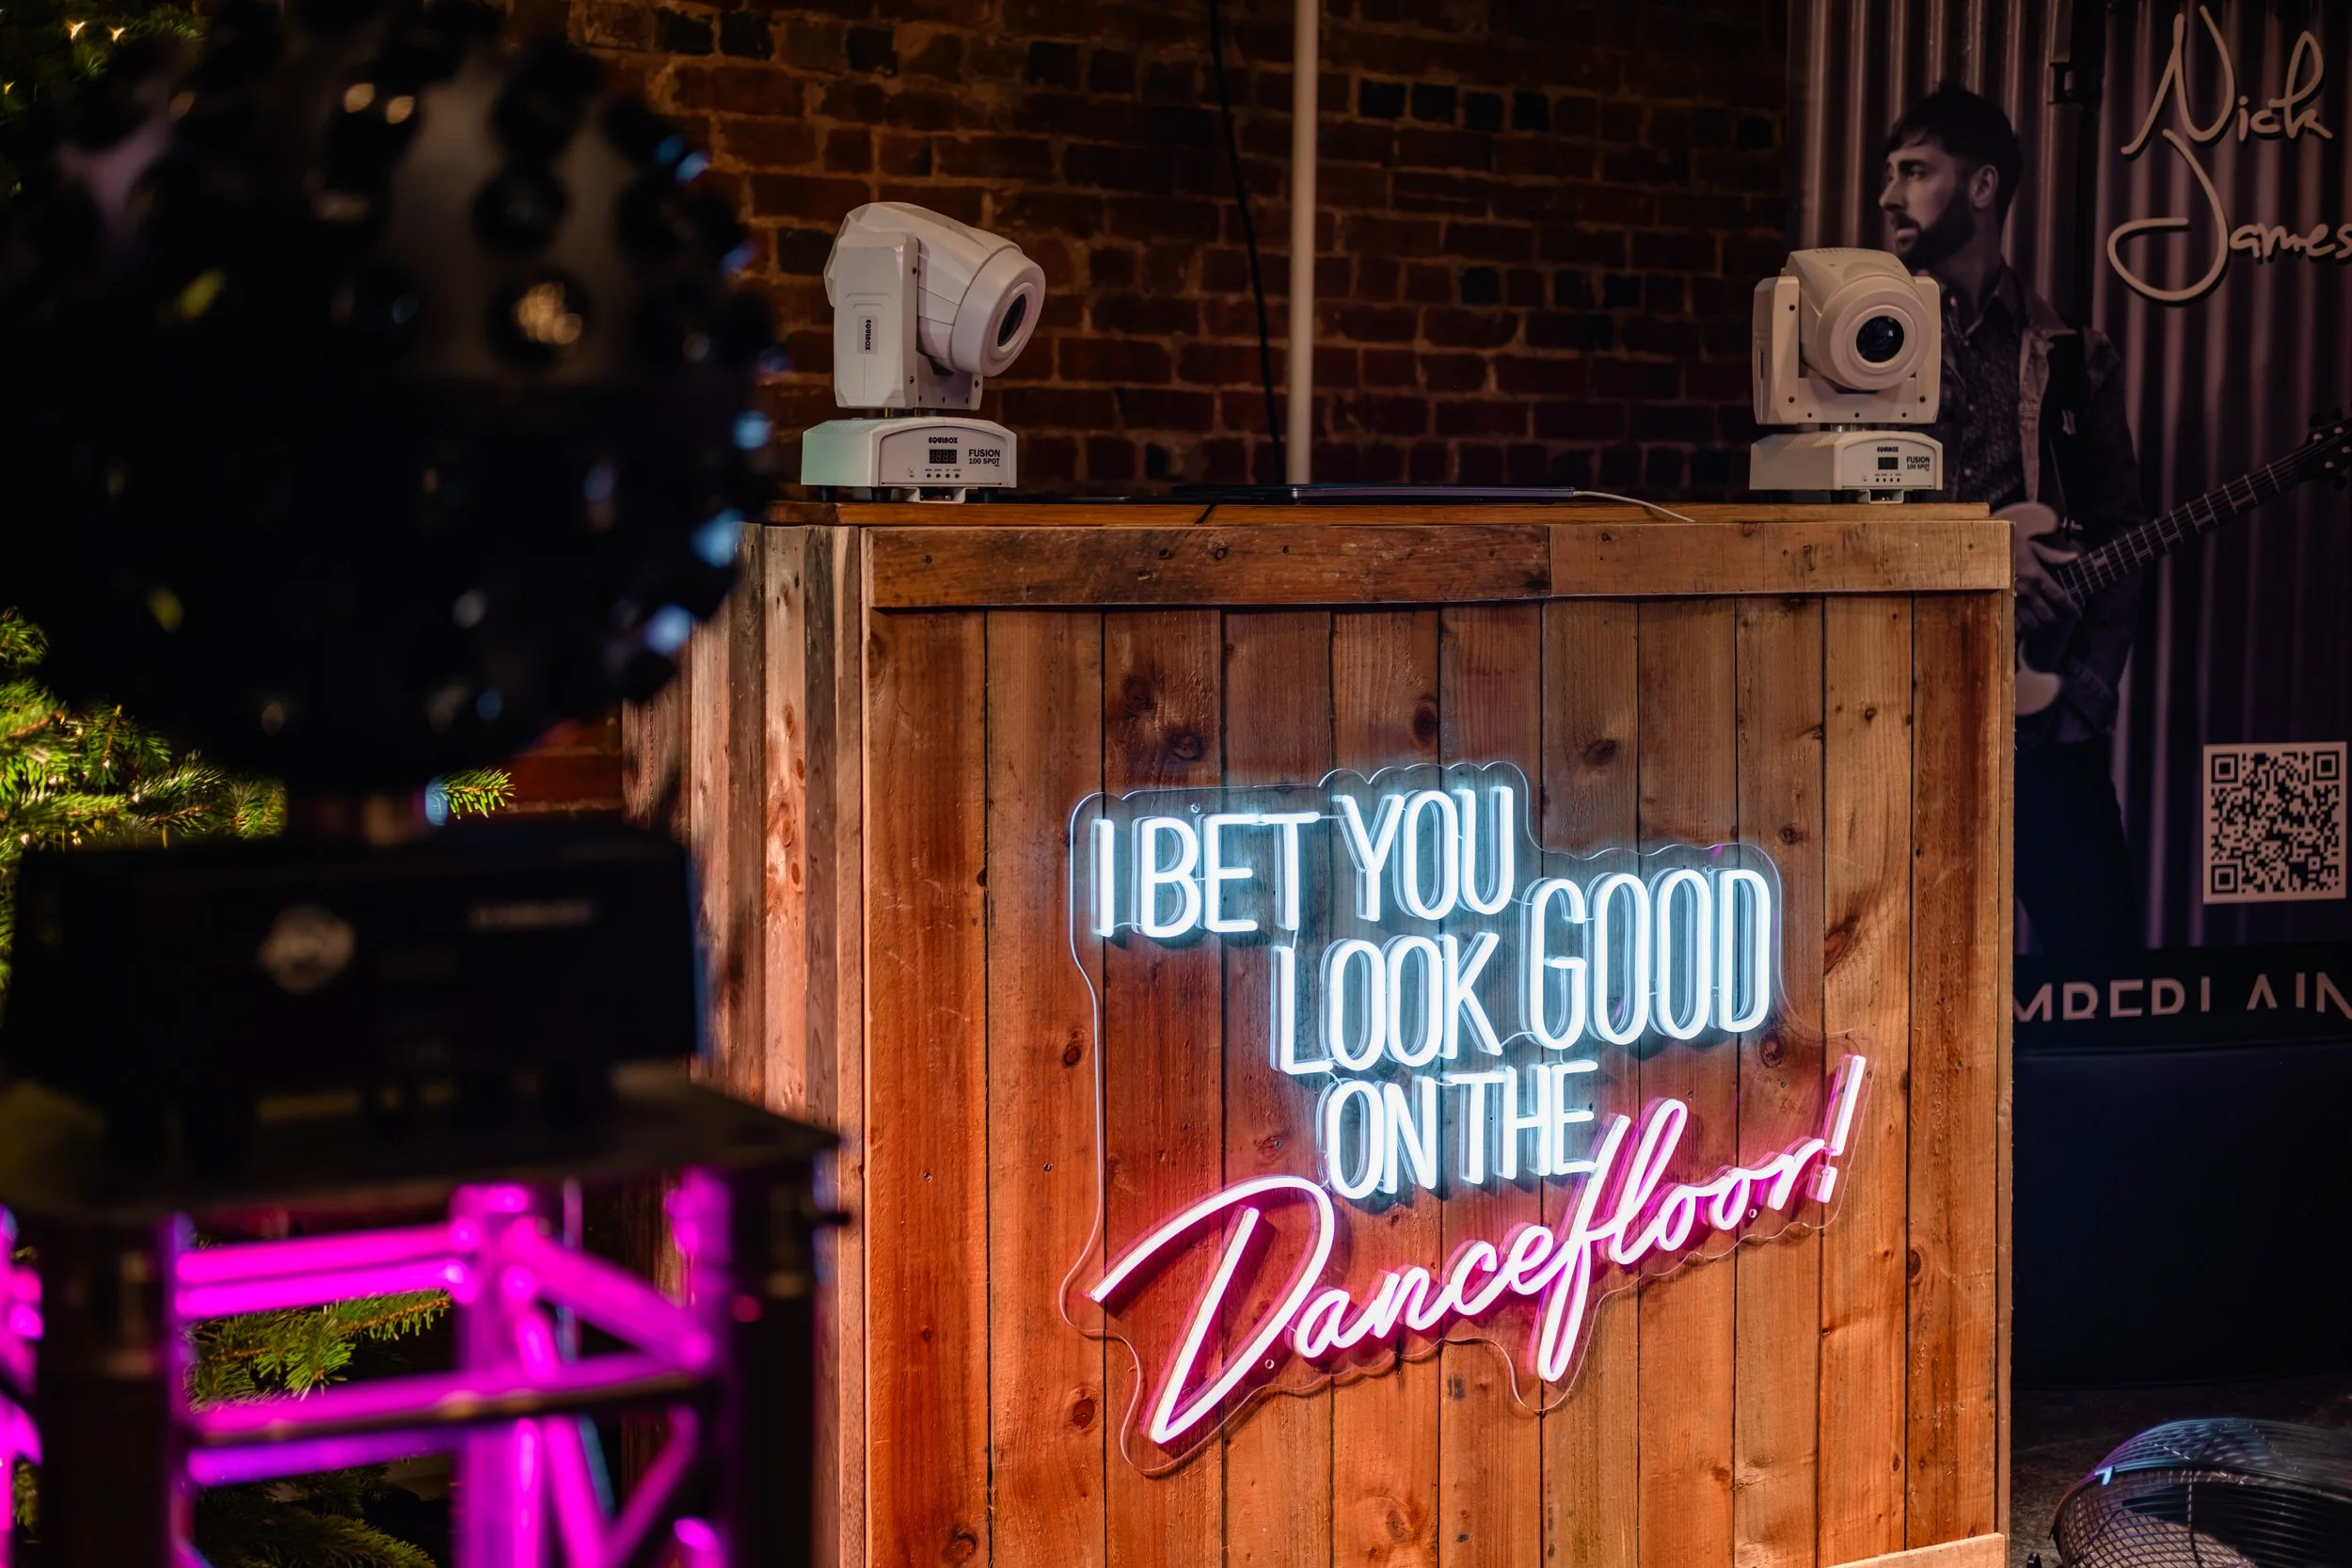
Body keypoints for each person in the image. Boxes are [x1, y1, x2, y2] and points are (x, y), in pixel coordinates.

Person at [1880, 85, 2144, 954]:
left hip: (2043, 721)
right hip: (1903, 712)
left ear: (1983, 186)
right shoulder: (1866, 346)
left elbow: (2122, 532)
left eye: (1916, 172)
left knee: (2100, 966)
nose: (1889, 196)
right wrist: (1986, 555)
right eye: (1890, 173)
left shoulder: (2071, 354)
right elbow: (1833, 521)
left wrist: (2088, 696)